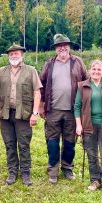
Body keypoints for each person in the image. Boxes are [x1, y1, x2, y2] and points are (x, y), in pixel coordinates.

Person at [39, 34, 87, 184]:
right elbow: (41, 84)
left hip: (73, 111)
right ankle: (53, 170)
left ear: (69, 47)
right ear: (55, 49)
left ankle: (67, 168)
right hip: (53, 110)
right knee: (52, 142)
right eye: (59, 46)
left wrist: (85, 106)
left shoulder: (78, 62)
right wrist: (41, 105)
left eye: (65, 45)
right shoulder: (49, 64)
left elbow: (86, 83)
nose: (62, 48)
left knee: (70, 142)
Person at [0, 44, 42, 186]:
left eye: (17, 53)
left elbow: (37, 93)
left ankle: (26, 173)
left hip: (24, 115)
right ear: (9, 56)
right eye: (12, 54)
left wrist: (35, 113)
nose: (14, 56)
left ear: (22, 55)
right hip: (6, 115)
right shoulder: (2, 71)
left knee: (24, 145)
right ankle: (12, 172)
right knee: (9, 144)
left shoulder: (31, 71)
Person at [74, 60, 102, 193]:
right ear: (89, 70)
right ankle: (95, 180)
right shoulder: (82, 86)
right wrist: (78, 125)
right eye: (94, 69)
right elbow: (77, 107)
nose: (96, 71)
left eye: (99, 69)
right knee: (92, 154)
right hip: (88, 125)